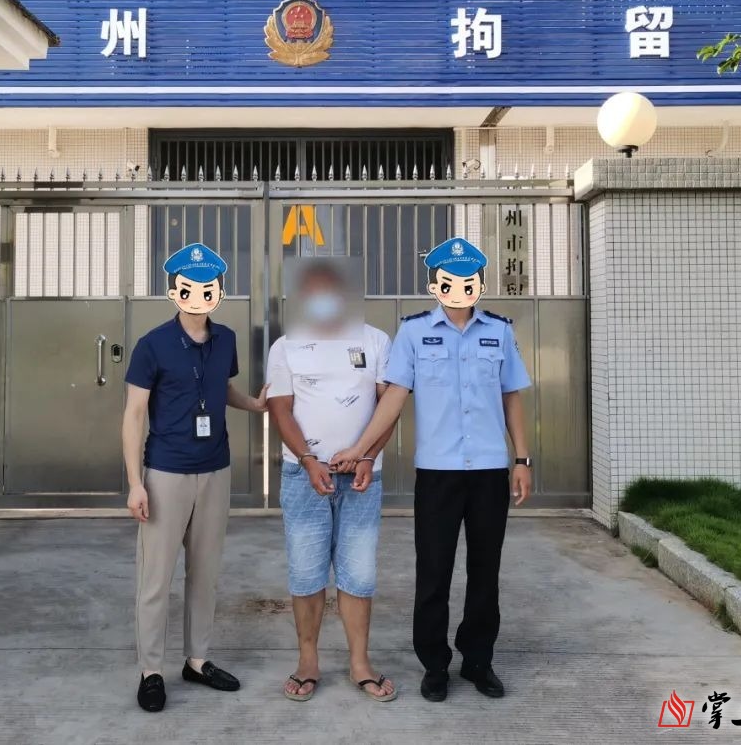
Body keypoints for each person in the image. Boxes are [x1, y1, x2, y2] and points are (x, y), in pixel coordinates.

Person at [330, 237, 533, 703]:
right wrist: (361, 448)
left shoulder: (499, 331)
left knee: (485, 571)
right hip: (438, 474)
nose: (459, 287)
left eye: (468, 280)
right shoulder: (415, 333)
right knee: (434, 571)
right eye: (450, 281)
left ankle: (478, 660)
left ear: (479, 283)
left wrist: (522, 459)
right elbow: (394, 398)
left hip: (488, 471)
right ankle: (435, 665)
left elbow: (511, 396)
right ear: (435, 285)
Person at [122, 242, 268, 713]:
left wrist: (254, 404)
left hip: (215, 469)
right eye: (189, 289)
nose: (199, 297)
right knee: (156, 578)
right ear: (174, 292)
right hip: (166, 472)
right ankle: (150, 671)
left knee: (205, 573)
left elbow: (221, 388)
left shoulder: (225, 339)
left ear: (219, 292)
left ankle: (197, 660)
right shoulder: (153, 345)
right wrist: (135, 482)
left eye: (208, 289)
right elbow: (134, 414)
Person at [266, 260, 398, 703]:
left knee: (358, 574)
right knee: (306, 573)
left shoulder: (375, 341)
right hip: (304, 476)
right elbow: (281, 410)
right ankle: (308, 660)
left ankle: (360, 662)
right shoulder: (286, 346)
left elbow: (388, 409)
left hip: (361, 476)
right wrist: (308, 460)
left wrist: (368, 456)